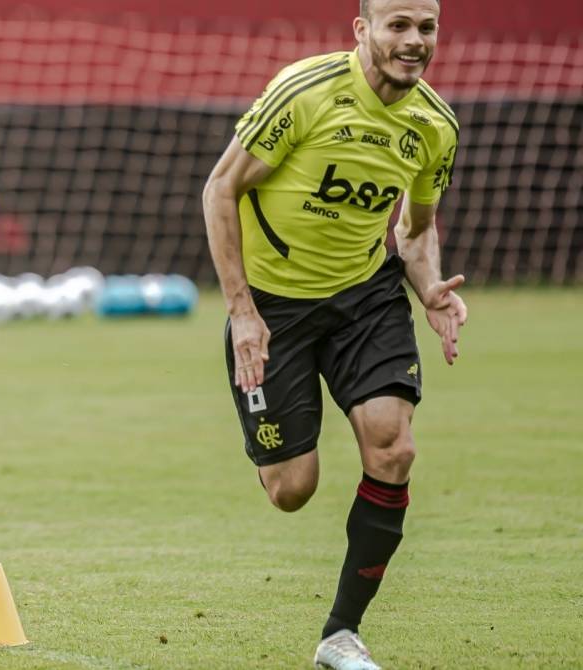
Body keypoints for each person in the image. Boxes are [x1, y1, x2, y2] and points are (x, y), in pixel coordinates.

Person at [202, 0, 465, 667]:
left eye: (426, 27)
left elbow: (413, 228)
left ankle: (340, 634)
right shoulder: (305, 94)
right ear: (363, 30)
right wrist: (241, 312)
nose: (414, 41)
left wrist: (428, 287)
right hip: (272, 308)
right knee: (292, 489)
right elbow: (220, 189)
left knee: (394, 449)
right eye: (398, 25)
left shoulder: (434, 127)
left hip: (365, 299)